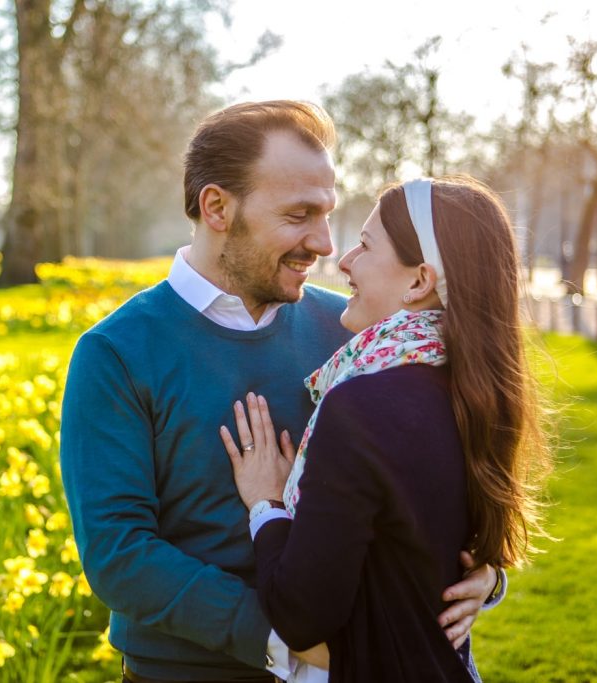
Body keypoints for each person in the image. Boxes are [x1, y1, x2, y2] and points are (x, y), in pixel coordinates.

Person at [60, 102, 502, 683]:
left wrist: (484, 572)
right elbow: (120, 554)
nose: (323, 244)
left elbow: (427, 476)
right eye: (299, 215)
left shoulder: (351, 332)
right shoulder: (116, 352)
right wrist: (286, 643)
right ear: (217, 207)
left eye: (327, 216)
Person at [222, 176, 550, 682]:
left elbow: (301, 616)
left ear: (420, 281)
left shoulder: (360, 406)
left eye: (366, 246)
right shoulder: (477, 387)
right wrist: (490, 577)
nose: (344, 260)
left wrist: (267, 507)